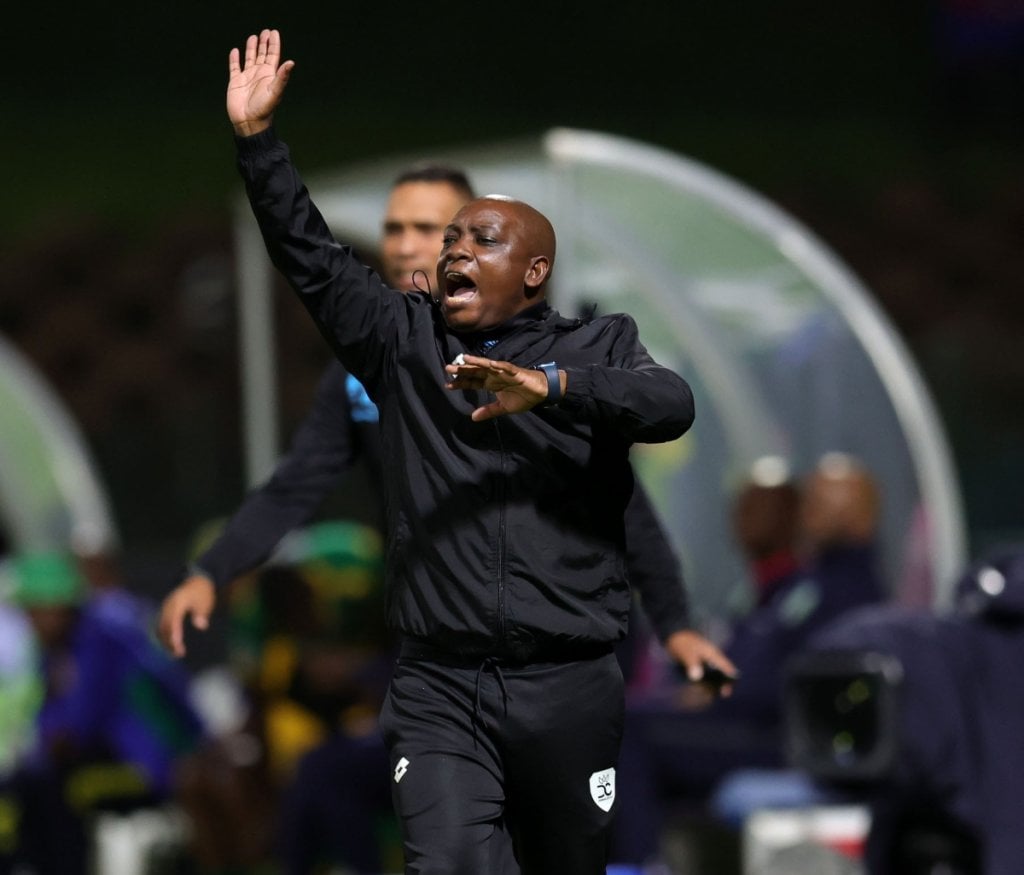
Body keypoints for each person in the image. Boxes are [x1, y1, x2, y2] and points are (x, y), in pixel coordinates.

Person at [159, 29, 732, 874]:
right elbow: (309, 259)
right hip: (440, 683)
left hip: (568, 683)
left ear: (535, 271)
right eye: (448, 238)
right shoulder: (399, 342)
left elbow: (671, 405)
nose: (454, 248)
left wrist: (551, 388)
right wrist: (259, 146)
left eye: (481, 238)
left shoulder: (599, 346)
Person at [611, 453, 887, 866]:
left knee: (630, 731)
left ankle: (636, 866)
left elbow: (788, 682)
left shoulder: (852, 594)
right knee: (627, 716)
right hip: (745, 720)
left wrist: (718, 689)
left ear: (865, 514)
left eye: (831, 500)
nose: (813, 510)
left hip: (779, 740)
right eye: (811, 499)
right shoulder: (803, 586)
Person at [0, 552, 204, 875]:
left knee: (49, 788)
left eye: (34, 610)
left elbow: (81, 723)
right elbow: (49, 721)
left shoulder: (101, 640)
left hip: (146, 765)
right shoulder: (56, 651)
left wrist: (48, 743)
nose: (29, 621)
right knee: (19, 785)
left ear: (57, 606)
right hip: (96, 759)